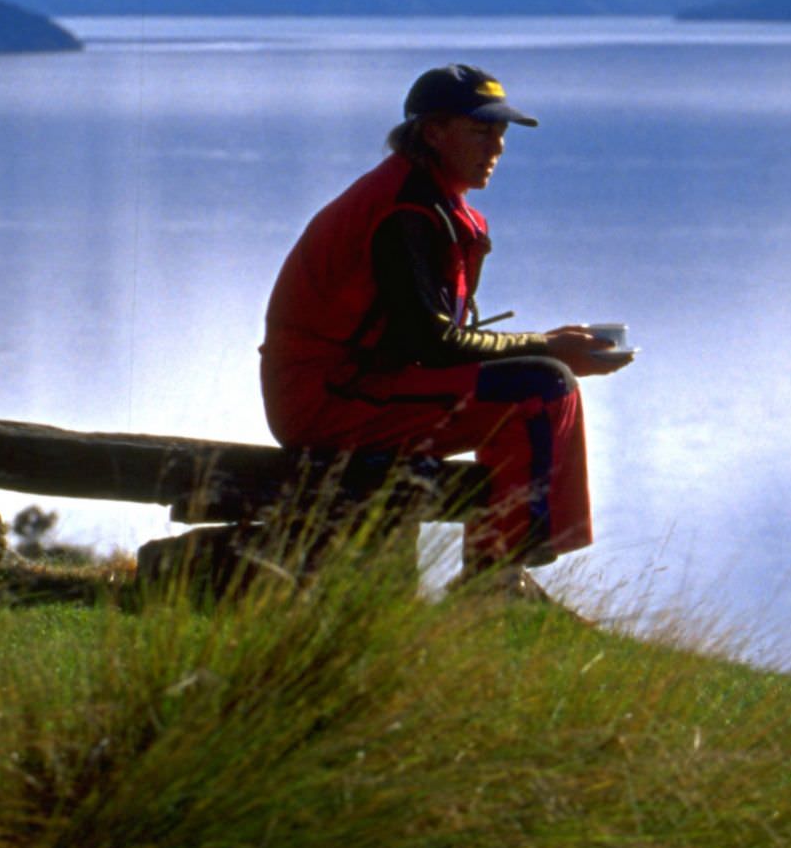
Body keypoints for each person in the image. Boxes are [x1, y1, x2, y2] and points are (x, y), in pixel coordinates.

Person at [260, 63, 625, 579]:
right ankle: (494, 582)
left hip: (356, 389)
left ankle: (504, 572)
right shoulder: (403, 209)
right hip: (328, 402)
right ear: (432, 132)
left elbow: (425, 341)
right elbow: (431, 342)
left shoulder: (426, 199)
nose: (496, 147)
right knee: (540, 388)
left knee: (539, 386)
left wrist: (543, 349)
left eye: (500, 134)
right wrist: (545, 346)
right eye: (480, 132)